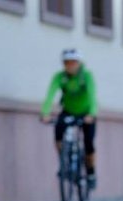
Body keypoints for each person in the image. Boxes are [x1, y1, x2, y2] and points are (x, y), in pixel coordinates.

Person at [41, 49, 98, 189]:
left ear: (78, 63)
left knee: (89, 143)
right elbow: (50, 94)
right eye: (67, 63)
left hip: (86, 112)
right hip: (68, 110)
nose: (70, 65)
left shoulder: (86, 76)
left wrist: (92, 113)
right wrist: (45, 113)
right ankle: (64, 160)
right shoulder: (60, 77)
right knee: (58, 133)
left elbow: (92, 95)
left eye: (73, 62)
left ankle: (91, 172)